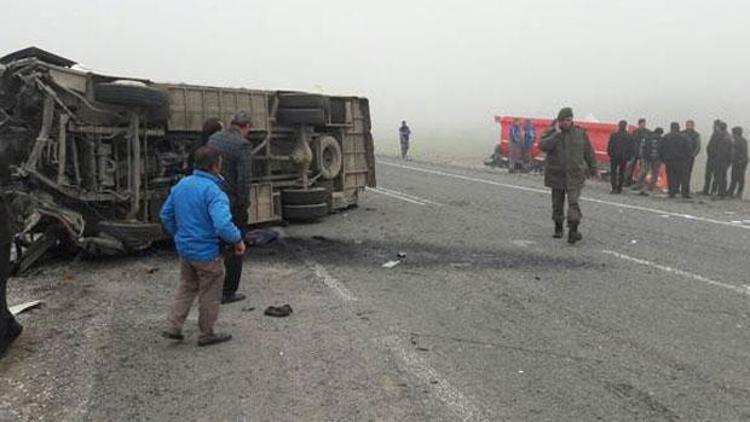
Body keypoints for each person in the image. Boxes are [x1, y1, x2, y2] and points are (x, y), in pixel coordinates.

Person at [160, 146, 246, 347]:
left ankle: (173, 326)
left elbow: (165, 215)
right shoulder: (214, 192)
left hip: (185, 249)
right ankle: (207, 333)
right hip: (206, 252)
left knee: (187, 286)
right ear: (215, 167)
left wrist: (179, 235)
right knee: (210, 289)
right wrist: (237, 240)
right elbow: (223, 224)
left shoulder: (181, 185)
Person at [207, 111, 253, 304]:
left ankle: (210, 287)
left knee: (213, 245)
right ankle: (228, 291)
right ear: (246, 126)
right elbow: (244, 179)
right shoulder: (242, 145)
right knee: (236, 246)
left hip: (210, 196)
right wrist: (244, 204)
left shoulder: (214, 139)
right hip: (231, 201)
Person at [540, 107, 598, 244]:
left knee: (574, 203)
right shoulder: (551, 133)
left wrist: (593, 168)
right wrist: (557, 135)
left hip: (575, 175)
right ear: (559, 121)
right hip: (556, 175)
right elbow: (542, 146)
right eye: (564, 120)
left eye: (569, 119)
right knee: (557, 203)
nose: (567, 122)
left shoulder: (580, 133)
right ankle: (558, 227)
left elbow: (588, 151)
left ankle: (573, 230)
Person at [659, 122, 693, 198]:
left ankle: (672, 192)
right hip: (682, 161)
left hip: (669, 160)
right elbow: (689, 150)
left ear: (671, 128)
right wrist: (688, 159)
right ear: (679, 128)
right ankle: (685, 193)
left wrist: (663, 159)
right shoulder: (685, 137)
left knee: (671, 177)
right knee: (684, 177)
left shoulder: (666, 137)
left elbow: (661, 149)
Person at [607, 120, 632, 194]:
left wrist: (610, 153)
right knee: (622, 172)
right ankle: (619, 187)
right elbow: (631, 147)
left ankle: (614, 187)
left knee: (613, 172)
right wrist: (629, 156)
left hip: (614, 156)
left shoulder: (614, 135)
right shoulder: (629, 136)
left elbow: (610, 145)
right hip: (624, 157)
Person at [636, 127, 663, 192]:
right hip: (657, 158)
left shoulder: (646, 138)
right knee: (655, 173)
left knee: (644, 171)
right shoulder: (661, 140)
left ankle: (638, 184)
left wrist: (641, 156)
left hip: (646, 157)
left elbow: (642, 147)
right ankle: (651, 186)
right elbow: (663, 150)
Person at [625, 118, 650, 187]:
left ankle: (639, 183)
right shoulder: (635, 132)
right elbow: (631, 142)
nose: (644, 125)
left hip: (643, 153)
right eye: (643, 123)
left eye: (644, 124)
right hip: (634, 152)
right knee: (630, 168)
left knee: (643, 169)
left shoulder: (647, 132)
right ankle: (627, 181)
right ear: (639, 124)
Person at [713, 121, 734, 198]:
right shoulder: (728, 136)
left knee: (720, 176)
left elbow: (723, 151)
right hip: (726, 160)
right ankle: (721, 192)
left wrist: (717, 158)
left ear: (719, 128)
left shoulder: (724, 137)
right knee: (722, 176)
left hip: (722, 160)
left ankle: (721, 193)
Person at [702, 119, 722, 195]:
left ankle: (712, 190)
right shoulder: (715, 133)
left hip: (715, 158)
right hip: (712, 157)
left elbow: (715, 147)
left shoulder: (719, 134)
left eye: (715, 125)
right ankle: (707, 190)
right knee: (709, 175)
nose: (713, 126)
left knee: (714, 175)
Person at [728, 126, 748, 198]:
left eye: (733, 133)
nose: (732, 134)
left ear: (736, 133)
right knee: (735, 176)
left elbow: (742, 152)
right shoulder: (739, 140)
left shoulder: (740, 141)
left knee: (739, 177)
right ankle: (732, 191)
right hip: (738, 161)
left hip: (740, 161)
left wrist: (740, 160)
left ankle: (738, 192)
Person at [682, 120, 701, 191]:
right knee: (680, 173)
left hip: (690, 157)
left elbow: (698, 146)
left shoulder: (696, 135)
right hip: (681, 157)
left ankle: (686, 189)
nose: (689, 126)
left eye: (690, 125)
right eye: (688, 125)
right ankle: (680, 188)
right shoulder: (682, 133)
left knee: (688, 173)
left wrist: (693, 155)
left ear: (693, 126)